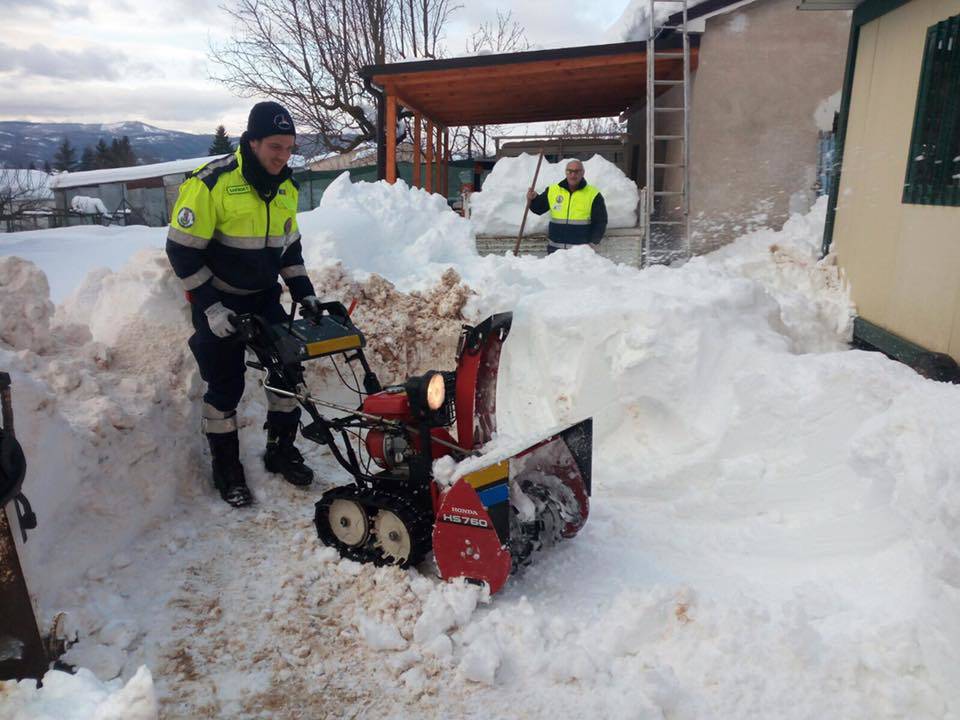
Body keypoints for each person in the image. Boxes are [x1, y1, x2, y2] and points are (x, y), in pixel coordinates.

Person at [166, 101, 320, 507]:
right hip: (219, 301)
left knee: (287, 374)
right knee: (225, 385)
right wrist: (212, 309)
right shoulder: (211, 183)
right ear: (251, 142)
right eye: (274, 146)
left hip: (264, 297)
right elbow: (182, 252)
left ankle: (280, 450)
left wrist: (305, 293)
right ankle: (227, 468)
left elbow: (289, 247)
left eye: (289, 148)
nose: (282, 156)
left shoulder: (285, 187)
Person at [526, 159, 608, 254]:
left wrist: (594, 242)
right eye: (570, 171)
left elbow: (600, 221)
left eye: (577, 171)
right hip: (555, 251)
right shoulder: (553, 190)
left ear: (583, 173)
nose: (573, 175)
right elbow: (538, 209)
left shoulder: (593, 194)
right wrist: (533, 199)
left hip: (580, 252)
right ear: (566, 172)